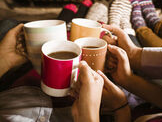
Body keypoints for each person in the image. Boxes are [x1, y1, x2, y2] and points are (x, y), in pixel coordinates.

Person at [0, 22, 131, 122]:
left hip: (21, 89)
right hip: (68, 101)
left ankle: (78, 22)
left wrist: (4, 60)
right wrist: (120, 107)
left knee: (9, 23)